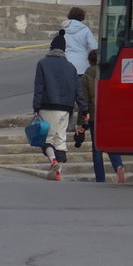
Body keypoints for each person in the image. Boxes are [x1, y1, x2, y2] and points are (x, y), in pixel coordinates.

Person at [32, 29, 89, 181]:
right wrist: (84, 109)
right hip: (65, 109)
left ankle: (53, 162)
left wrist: (36, 107)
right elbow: (78, 91)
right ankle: (58, 172)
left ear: (51, 48)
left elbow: (39, 87)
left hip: (47, 106)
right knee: (60, 139)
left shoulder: (42, 63)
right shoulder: (71, 67)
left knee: (47, 139)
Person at [79, 49, 125, 183]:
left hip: (94, 116)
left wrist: (82, 122)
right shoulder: (109, 73)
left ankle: (100, 178)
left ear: (89, 61)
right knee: (110, 143)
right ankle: (118, 166)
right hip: (109, 114)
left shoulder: (86, 77)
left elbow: (84, 101)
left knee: (97, 147)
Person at [62, 6, 98, 75]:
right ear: (82, 16)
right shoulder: (85, 29)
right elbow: (94, 47)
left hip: (66, 63)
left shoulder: (62, 29)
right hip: (83, 64)